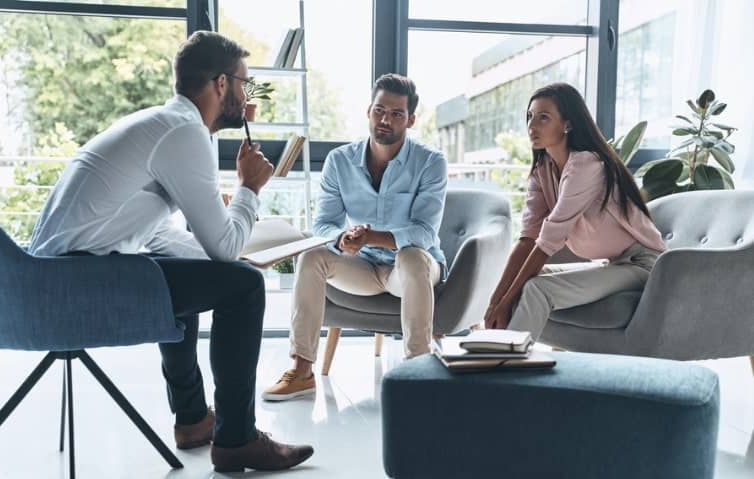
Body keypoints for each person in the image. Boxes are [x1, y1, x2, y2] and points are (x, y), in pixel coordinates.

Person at [28, 31, 313, 472]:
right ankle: (236, 439)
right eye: (244, 83)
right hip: (70, 286)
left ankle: (194, 420)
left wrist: (232, 256)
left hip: (52, 278)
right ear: (221, 84)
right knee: (244, 288)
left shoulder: (163, 125)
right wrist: (249, 190)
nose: (246, 95)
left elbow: (160, 235)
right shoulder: (185, 133)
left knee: (195, 275)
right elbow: (223, 247)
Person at [262, 74, 448, 401]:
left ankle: (417, 371)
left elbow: (424, 232)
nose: (385, 120)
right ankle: (302, 370)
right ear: (368, 111)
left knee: (412, 255)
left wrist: (372, 236)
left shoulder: (430, 162)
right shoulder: (339, 161)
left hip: (409, 271)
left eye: (396, 114)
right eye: (379, 111)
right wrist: (341, 239)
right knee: (311, 254)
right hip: (362, 267)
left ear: (411, 119)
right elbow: (323, 224)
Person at [484, 82, 666, 339]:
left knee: (536, 288)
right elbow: (527, 239)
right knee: (524, 282)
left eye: (543, 118)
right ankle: (502, 356)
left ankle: (502, 366)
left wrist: (504, 304)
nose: (532, 126)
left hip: (642, 264)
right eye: (529, 116)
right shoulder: (542, 170)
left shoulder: (586, 164)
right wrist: (494, 302)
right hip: (611, 263)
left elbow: (548, 240)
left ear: (567, 124)